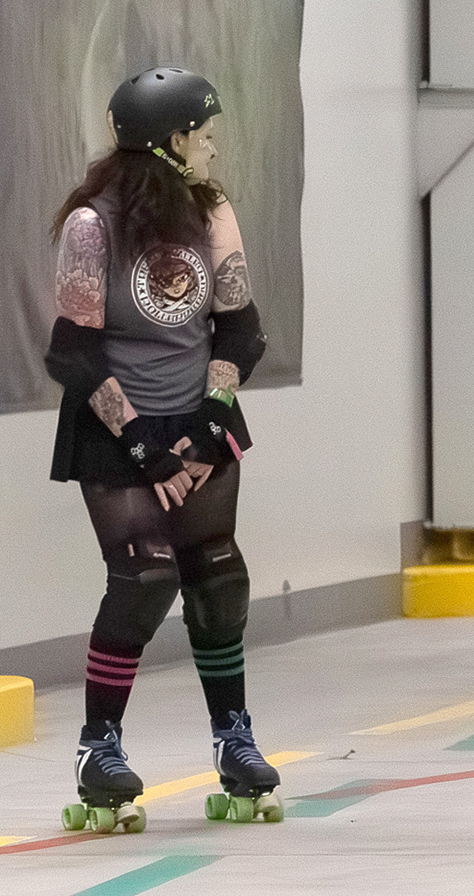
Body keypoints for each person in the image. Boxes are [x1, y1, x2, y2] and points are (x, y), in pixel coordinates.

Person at [43, 68, 278, 832]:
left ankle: (234, 738)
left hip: (198, 422)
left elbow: (239, 331)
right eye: (205, 138)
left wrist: (208, 427)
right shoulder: (92, 226)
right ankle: (97, 746)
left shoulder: (211, 212)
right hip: (118, 430)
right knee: (144, 574)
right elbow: (73, 353)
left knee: (216, 572)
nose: (215, 150)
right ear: (173, 142)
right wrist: (147, 445)